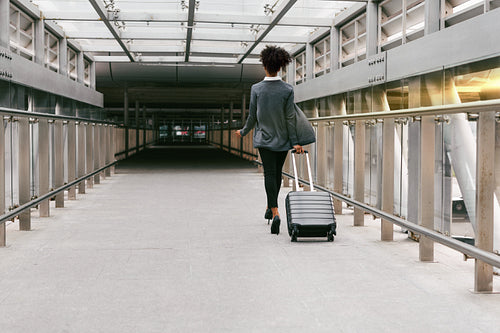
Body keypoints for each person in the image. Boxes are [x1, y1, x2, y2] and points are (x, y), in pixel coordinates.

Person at [235, 45, 304, 235]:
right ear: (280, 67)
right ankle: (270, 206)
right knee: (277, 174)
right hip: (282, 140)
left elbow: (253, 116)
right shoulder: (287, 89)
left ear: (264, 66)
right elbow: (290, 118)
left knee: (269, 174)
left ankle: (275, 212)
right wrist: (295, 141)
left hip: (264, 139)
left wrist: (244, 131)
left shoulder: (256, 89)